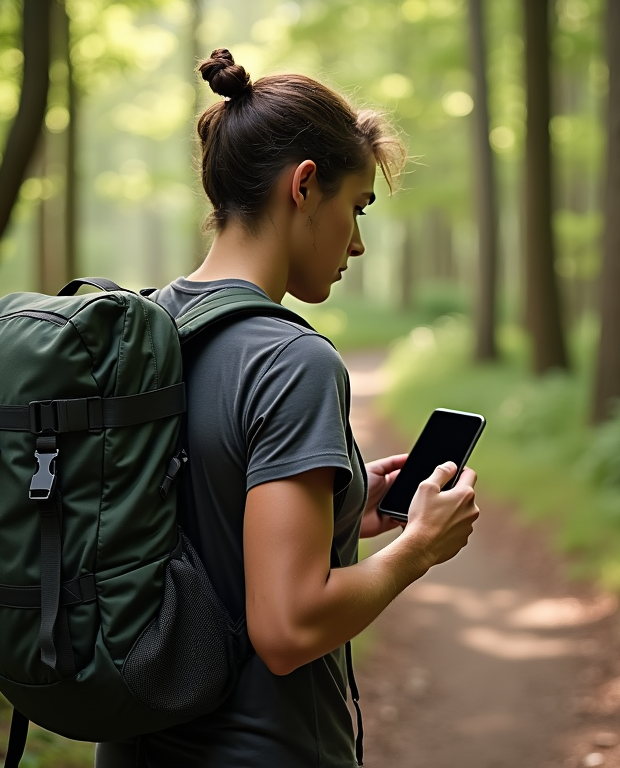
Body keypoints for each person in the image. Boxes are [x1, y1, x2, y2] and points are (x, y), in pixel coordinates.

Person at [94, 48, 480, 768]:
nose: (358, 243)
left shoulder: (143, 331)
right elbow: (288, 626)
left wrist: (340, 513)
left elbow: (177, 518)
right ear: (304, 187)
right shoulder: (291, 361)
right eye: (356, 208)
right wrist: (417, 548)